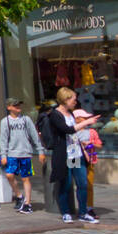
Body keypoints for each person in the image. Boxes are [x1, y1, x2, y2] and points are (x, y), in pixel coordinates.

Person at [44, 87, 97, 223]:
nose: (75, 101)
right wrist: (86, 122)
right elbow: (66, 130)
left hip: (75, 153)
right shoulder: (55, 114)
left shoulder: (71, 114)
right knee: (66, 184)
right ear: (66, 99)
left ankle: (83, 212)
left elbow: (75, 134)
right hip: (64, 154)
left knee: (82, 183)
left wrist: (84, 146)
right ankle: (65, 212)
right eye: (73, 99)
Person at [0, 98, 44, 214]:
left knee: (25, 178)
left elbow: (34, 135)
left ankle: (28, 203)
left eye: (18, 105)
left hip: (25, 153)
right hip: (12, 153)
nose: (18, 107)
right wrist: (3, 155)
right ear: (9, 107)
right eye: (15, 105)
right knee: (9, 175)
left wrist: (40, 151)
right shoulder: (5, 122)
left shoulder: (26, 120)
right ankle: (19, 195)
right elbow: (3, 139)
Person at [72, 108, 103, 217]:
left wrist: (91, 143)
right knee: (74, 184)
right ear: (77, 119)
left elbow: (99, 145)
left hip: (89, 160)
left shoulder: (91, 132)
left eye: (87, 117)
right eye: (84, 117)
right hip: (74, 158)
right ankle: (75, 207)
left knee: (88, 185)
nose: (87, 119)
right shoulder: (72, 131)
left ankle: (89, 208)